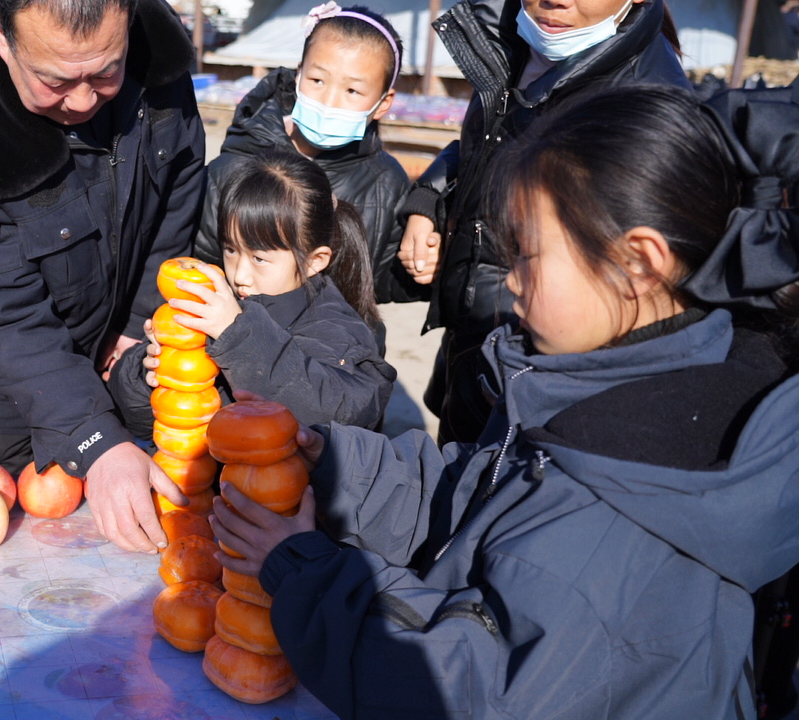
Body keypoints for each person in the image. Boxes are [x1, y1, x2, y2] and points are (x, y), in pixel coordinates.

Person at [211, 86, 799, 719]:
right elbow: (471, 500)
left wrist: (304, 570)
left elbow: (467, 691)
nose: (511, 278)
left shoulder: (638, 495)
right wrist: (337, 462)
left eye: (528, 254)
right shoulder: (601, 388)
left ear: (638, 263)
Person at [0, 0, 206, 553]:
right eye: (55, 80)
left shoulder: (157, 63)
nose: (85, 99)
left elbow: (176, 197)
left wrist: (140, 320)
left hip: (120, 351)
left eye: (107, 71)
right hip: (9, 392)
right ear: (3, 35)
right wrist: (93, 436)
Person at [396, 0, 689, 444]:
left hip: (532, 376)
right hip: (472, 346)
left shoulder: (645, 105)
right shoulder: (516, 36)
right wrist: (430, 197)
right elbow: (488, 144)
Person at [109, 150, 397, 436]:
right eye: (231, 250)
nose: (239, 275)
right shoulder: (221, 306)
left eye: (259, 258)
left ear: (314, 261)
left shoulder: (337, 330)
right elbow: (140, 421)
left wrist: (238, 336)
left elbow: (333, 415)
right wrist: (146, 373)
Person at [193, 3, 420, 304]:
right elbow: (200, 266)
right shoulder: (231, 170)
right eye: (317, 80)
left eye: (352, 91)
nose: (328, 101)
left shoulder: (387, 182)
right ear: (299, 75)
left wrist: (423, 262)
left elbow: (383, 282)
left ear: (383, 103)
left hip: (340, 348)